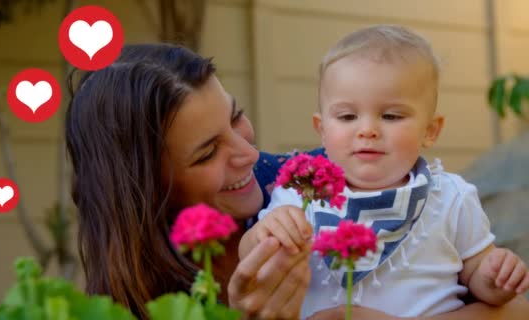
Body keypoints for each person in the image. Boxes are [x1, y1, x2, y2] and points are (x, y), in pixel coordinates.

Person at [65, 42, 529, 319]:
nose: (248, 152)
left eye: (237, 117)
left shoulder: (315, 181)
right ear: (149, 189)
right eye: (208, 151)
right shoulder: (143, 295)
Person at [239, 25, 529, 318]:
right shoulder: (300, 192)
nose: (367, 130)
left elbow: (477, 272)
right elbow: (253, 258)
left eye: (391, 115)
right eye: (347, 116)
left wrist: (495, 278)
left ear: (430, 131)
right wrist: (264, 234)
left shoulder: (451, 197)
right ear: (322, 130)